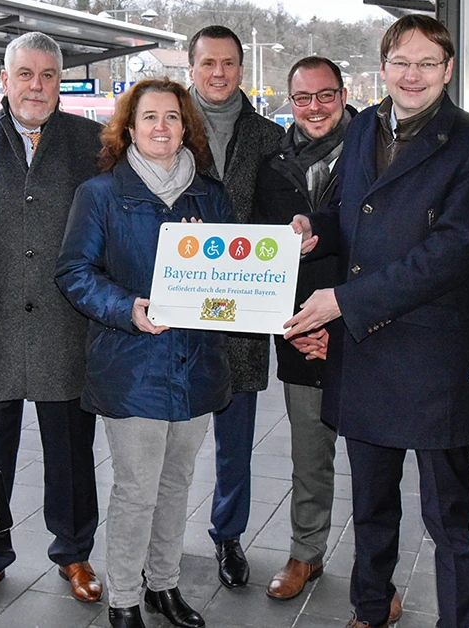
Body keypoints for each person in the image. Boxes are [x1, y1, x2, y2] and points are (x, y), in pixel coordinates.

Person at [284, 15, 469, 628]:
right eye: (400, 63)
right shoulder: (361, 129)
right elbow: (347, 212)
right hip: (365, 353)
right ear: (382, 68)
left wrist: (344, 304)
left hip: (433, 357)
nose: (412, 76)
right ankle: (369, 606)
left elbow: (451, 252)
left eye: (427, 64)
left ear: (448, 70)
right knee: (371, 502)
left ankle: (457, 619)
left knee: (449, 516)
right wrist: (314, 231)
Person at [55, 78, 235, 628]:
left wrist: (223, 267)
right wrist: (127, 306)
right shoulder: (101, 194)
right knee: (136, 489)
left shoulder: (212, 194)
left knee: (177, 483)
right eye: (150, 117)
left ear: (187, 127)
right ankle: (125, 598)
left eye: (173, 117)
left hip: (197, 364)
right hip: (132, 365)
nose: (162, 127)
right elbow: (74, 272)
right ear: (129, 128)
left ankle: (165, 585)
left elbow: (235, 277)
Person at [0, 31, 105, 608]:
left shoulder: (92, 142)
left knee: (71, 456)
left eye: (48, 76)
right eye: (26, 75)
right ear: (4, 80)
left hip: (67, 326)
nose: (37, 86)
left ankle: (75, 553)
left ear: (60, 82)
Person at [186, 25, 285, 588]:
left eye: (228, 64)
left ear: (241, 70)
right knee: (168, 436)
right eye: (208, 63)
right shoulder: (165, 127)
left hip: (245, 312)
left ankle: (228, 534)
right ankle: (157, 538)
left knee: (236, 440)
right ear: (191, 67)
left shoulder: (272, 138)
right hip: (180, 311)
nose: (218, 73)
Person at [252, 56, 353, 600]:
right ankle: (305, 553)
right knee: (309, 454)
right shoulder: (273, 167)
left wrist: (345, 316)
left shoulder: (376, 153)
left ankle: (375, 572)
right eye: (302, 97)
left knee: (376, 461)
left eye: (325, 95)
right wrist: (290, 328)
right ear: (289, 101)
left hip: (365, 330)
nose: (314, 107)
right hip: (299, 332)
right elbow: (265, 264)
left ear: (343, 94)